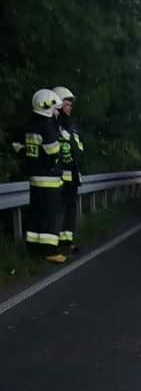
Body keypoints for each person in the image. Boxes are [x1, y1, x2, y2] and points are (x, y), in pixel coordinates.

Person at [20, 89, 65, 263]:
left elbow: (18, 147)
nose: (57, 112)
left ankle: (33, 249)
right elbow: (54, 153)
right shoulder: (47, 127)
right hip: (49, 181)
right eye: (55, 108)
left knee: (36, 215)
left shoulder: (30, 126)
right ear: (46, 107)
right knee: (50, 216)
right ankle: (50, 251)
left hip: (34, 179)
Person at [53, 86, 83, 254]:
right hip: (58, 176)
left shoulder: (71, 125)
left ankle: (67, 241)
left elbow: (78, 148)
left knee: (71, 209)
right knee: (57, 209)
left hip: (72, 174)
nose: (70, 106)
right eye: (67, 103)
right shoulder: (53, 124)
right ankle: (55, 243)